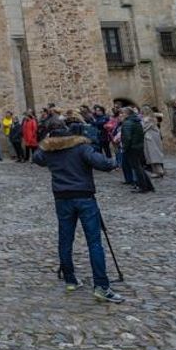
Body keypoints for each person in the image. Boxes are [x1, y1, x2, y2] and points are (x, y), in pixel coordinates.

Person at [31, 117, 123, 303]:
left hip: (62, 198)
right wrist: (114, 162)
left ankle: (70, 279)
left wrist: (47, 141)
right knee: (94, 242)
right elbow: (103, 163)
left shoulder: (49, 150)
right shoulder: (80, 146)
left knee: (65, 239)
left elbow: (37, 158)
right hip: (84, 197)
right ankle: (101, 286)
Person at [119, 108, 154, 193]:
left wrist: (124, 148)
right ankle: (148, 186)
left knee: (137, 168)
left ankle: (143, 187)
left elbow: (127, 137)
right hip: (138, 147)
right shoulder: (135, 121)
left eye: (122, 113)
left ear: (127, 114)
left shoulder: (128, 123)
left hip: (132, 148)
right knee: (139, 167)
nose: (121, 115)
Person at [141, 109, 165, 178]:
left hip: (150, 139)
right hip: (151, 138)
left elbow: (143, 128)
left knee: (153, 154)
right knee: (153, 155)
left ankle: (158, 171)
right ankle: (157, 171)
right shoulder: (152, 119)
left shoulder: (147, 120)